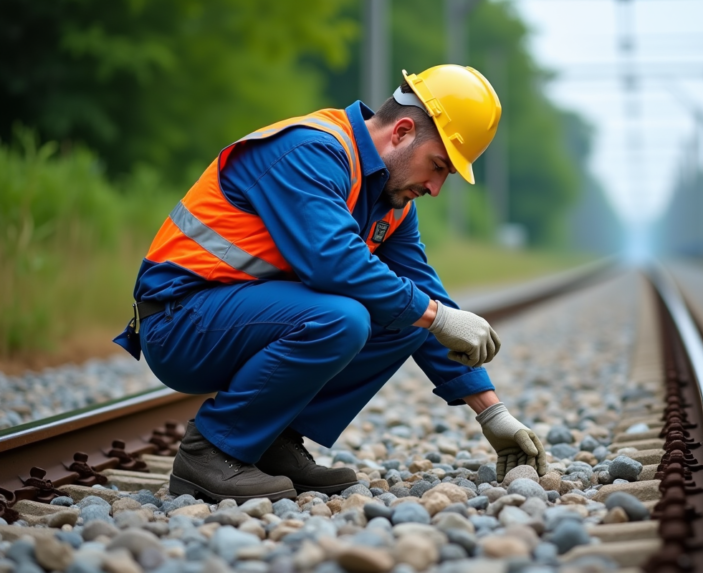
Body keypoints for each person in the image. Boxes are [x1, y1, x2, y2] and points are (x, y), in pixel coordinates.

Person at [114, 64, 547, 502]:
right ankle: (212, 452)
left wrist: (491, 411)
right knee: (348, 317)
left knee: (408, 313)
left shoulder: (392, 202)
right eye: (437, 166)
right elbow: (333, 263)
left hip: (236, 318)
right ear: (401, 132)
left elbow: (425, 296)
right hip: (180, 321)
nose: (435, 188)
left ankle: (270, 442)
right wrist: (436, 316)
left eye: (446, 175)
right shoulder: (310, 151)